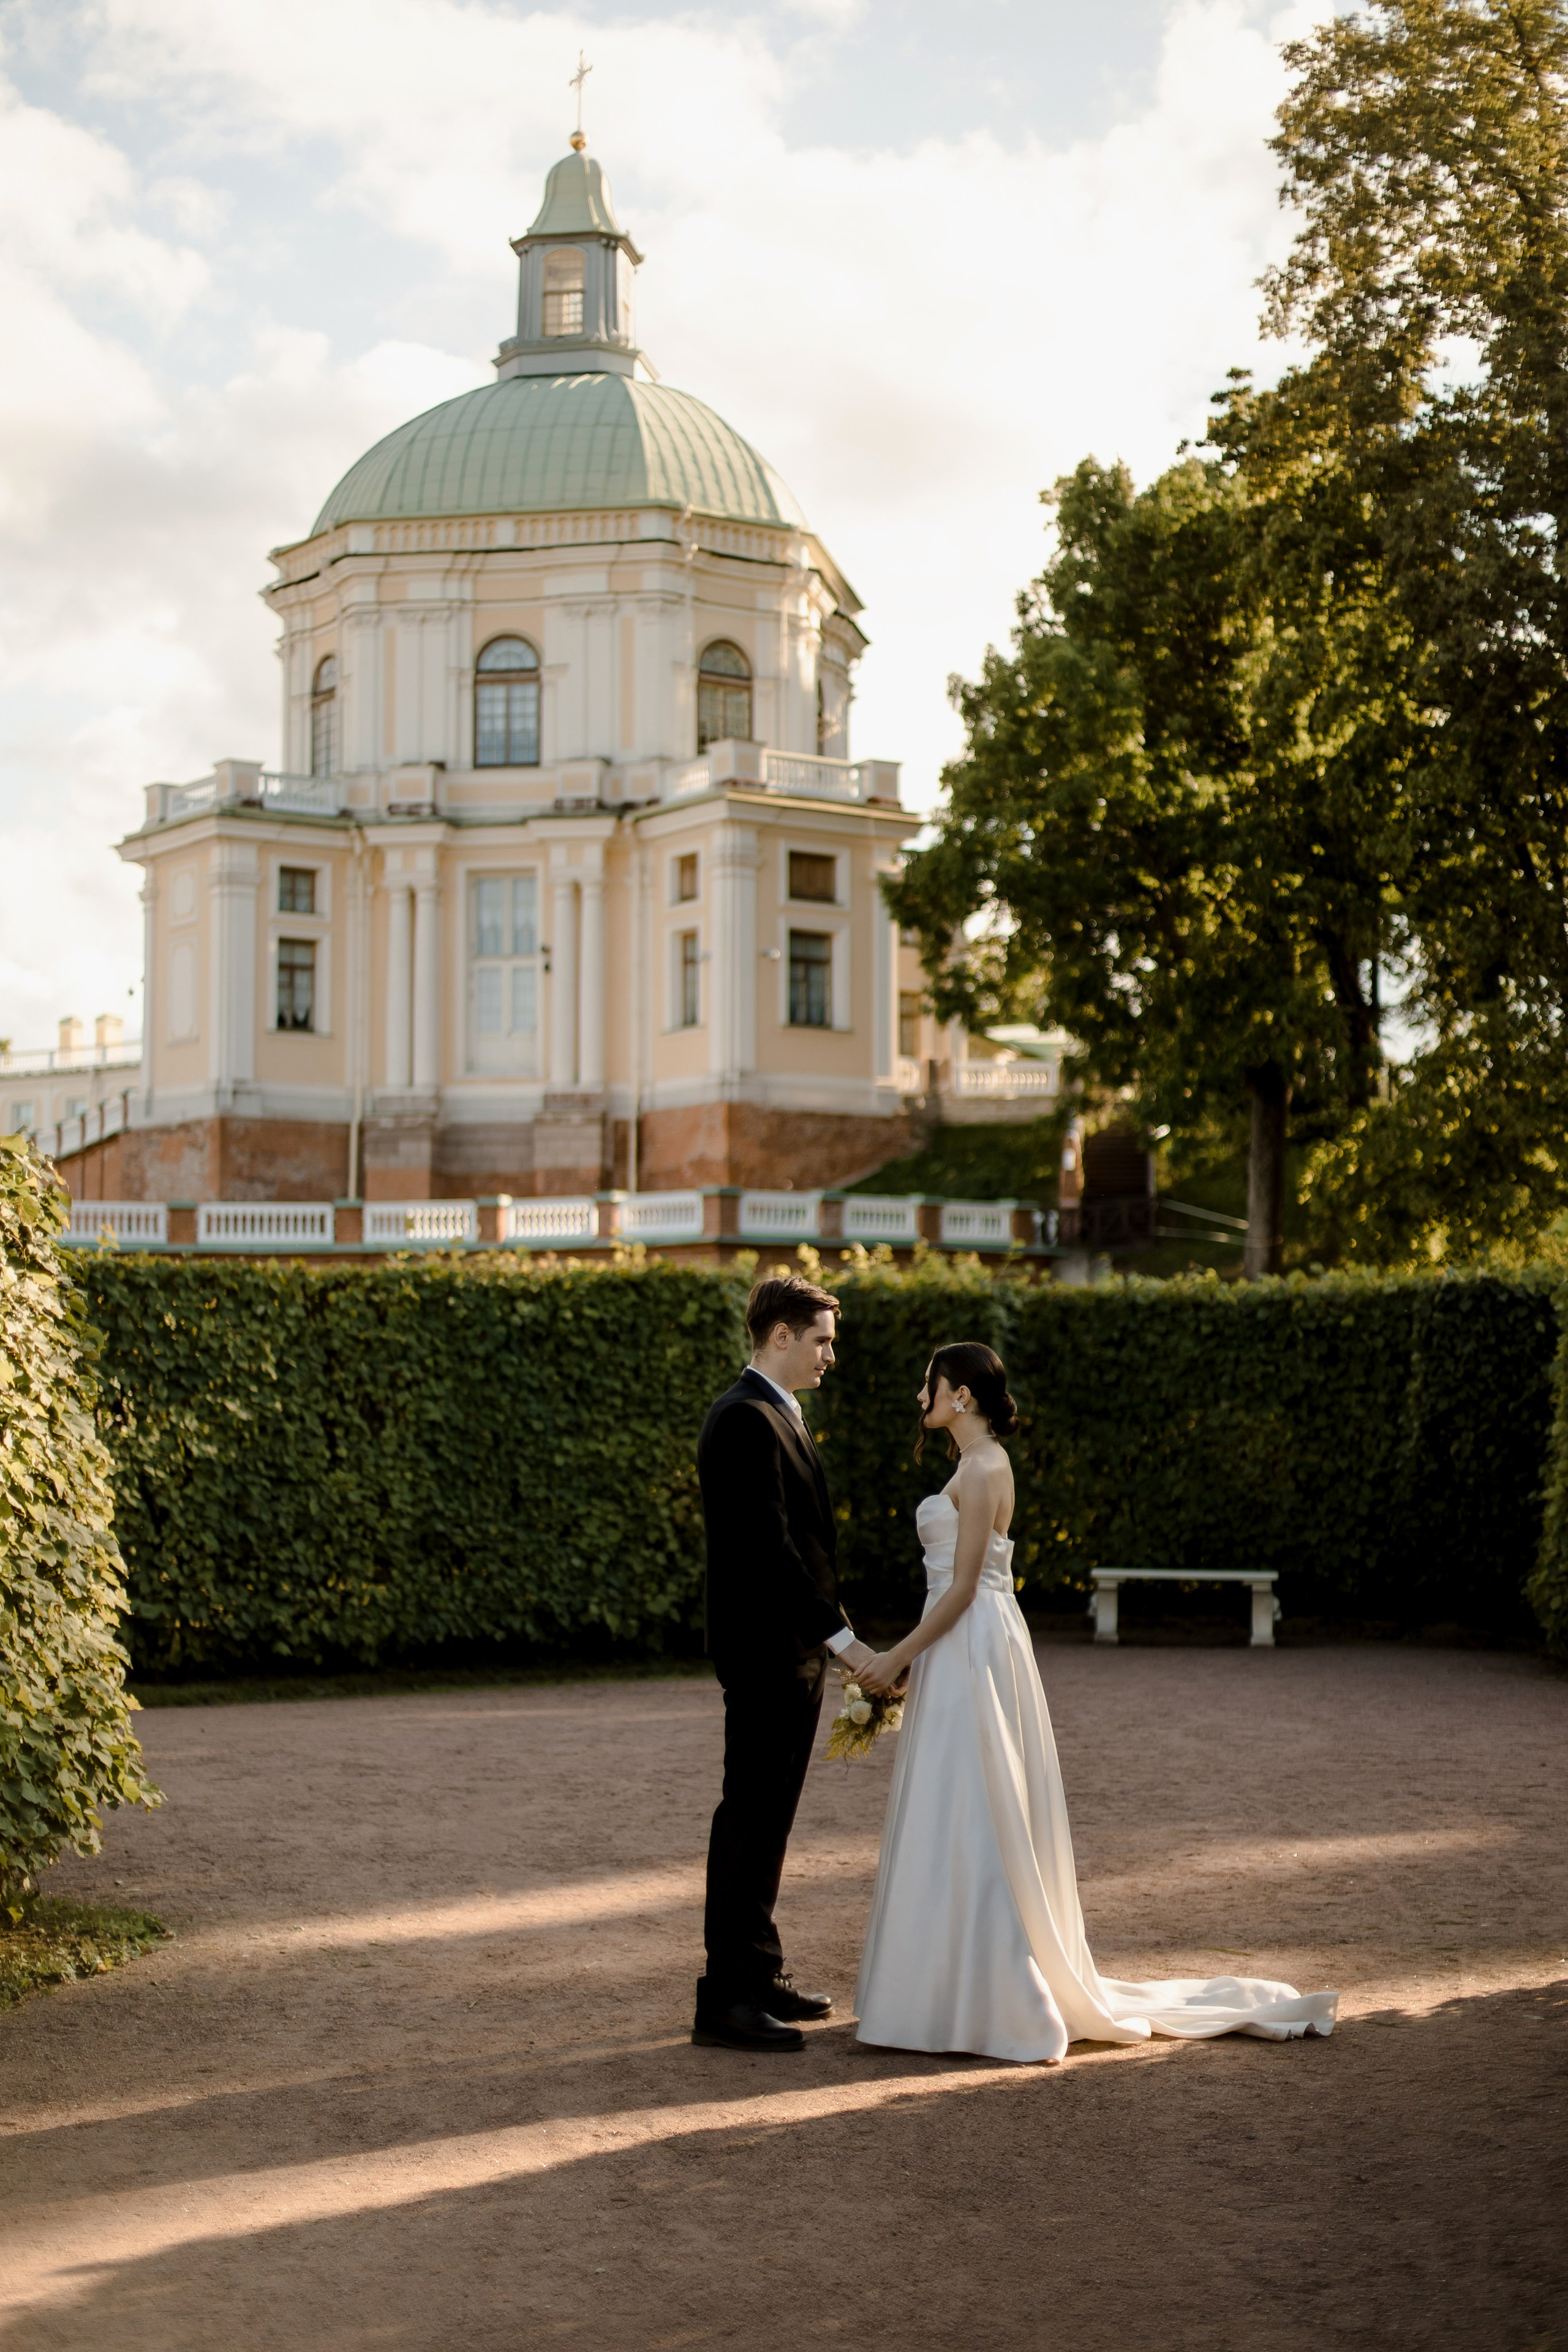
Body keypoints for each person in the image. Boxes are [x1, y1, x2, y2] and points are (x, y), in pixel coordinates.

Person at [852, 1341, 1339, 2063]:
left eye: (931, 1384)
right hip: (965, 1643)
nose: (921, 1395)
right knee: (956, 1803)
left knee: (979, 1806)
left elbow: (960, 1590)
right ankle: (942, 1993)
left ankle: (983, 1995)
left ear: (960, 1395)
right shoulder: (969, 1465)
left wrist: (895, 1657)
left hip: (973, 1639)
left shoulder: (986, 1466)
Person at [693, 1273, 880, 2053]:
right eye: (821, 1340)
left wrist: (826, 1645)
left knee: (770, 1819)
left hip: (791, 1652)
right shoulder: (744, 1419)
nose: (830, 1355)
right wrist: (845, 1643)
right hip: (767, 1652)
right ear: (779, 1335)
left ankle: (757, 1974)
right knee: (750, 1817)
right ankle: (724, 2002)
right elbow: (769, 1554)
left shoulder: (776, 1413)